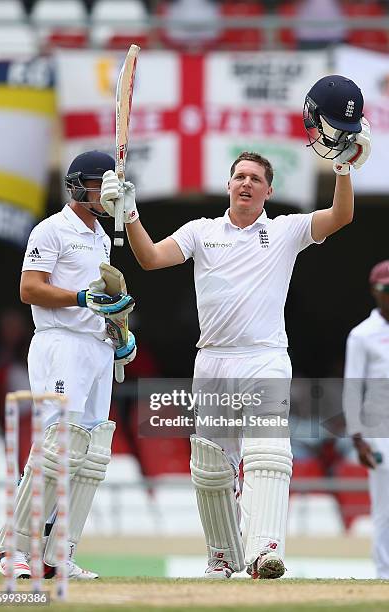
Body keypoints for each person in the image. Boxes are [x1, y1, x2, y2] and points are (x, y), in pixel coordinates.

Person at [100, 75, 371, 579]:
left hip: (265, 355)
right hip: (214, 359)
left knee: (268, 453)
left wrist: (342, 168)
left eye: (256, 179)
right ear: (228, 184)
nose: (246, 183)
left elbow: (341, 216)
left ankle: (265, 549)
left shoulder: (285, 231)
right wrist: (130, 212)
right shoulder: (201, 233)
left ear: (268, 191)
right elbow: (151, 258)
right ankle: (223, 558)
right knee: (210, 468)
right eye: (239, 176)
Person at [0, 150, 136, 581]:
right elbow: (29, 288)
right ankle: (12, 548)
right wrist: (80, 299)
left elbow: (103, 298)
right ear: (77, 186)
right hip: (60, 344)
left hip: (95, 346)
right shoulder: (51, 229)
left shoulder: (101, 237)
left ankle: (57, 554)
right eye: (98, 184)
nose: (105, 193)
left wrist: (119, 334)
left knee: (90, 454)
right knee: (57, 446)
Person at [343, 260, 389, 579]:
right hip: (380, 431)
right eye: (386, 289)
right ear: (375, 290)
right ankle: (384, 574)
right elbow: (351, 389)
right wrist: (358, 439)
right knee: (385, 509)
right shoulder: (363, 335)